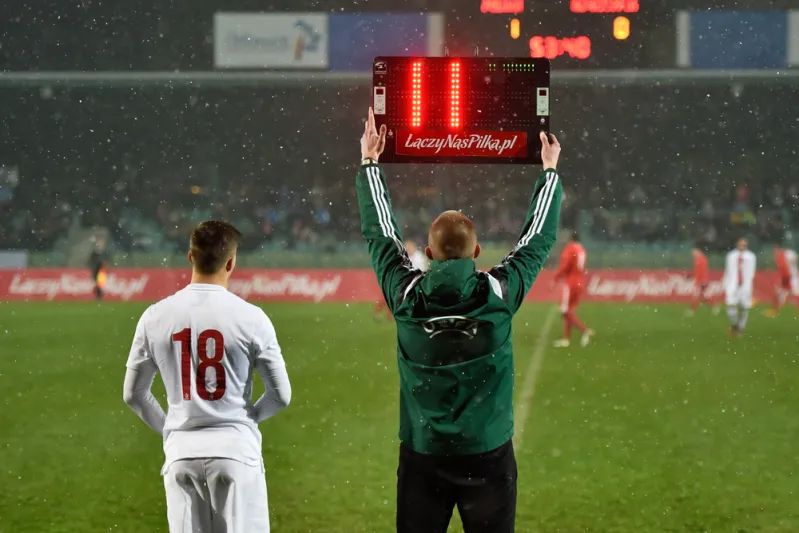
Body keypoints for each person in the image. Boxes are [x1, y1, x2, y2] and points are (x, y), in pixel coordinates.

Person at [356, 108, 562, 533]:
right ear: (477, 252)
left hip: (423, 454)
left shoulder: (405, 296)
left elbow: (381, 234)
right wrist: (549, 172)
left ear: (428, 255)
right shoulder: (497, 295)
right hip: (487, 454)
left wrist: (370, 164)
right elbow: (536, 240)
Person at [122, 220, 291, 533]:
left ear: (190, 257)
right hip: (236, 454)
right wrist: (247, 418)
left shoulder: (155, 316)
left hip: (181, 456)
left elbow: (134, 394)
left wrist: (171, 429)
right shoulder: (252, 318)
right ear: (231, 263)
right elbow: (281, 395)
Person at [552, 232, 593, 348]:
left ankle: (584, 330)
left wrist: (556, 277)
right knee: (569, 311)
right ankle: (566, 339)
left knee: (564, 311)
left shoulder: (570, 249)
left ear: (571, 239)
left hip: (571, 283)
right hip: (580, 282)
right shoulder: (582, 250)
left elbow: (565, 266)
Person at [373, 239, 428, 320]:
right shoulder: (404, 256)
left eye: (409, 247)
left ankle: (391, 315)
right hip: (402, 280)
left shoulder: (418, 257)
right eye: (407, 247)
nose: (408, 249)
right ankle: (382, 313)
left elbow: (421, 269)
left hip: (411, 281)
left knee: (395, 297)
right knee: (389, 296)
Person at [724, 238, 757, 336]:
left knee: (744, 307)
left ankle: (740, 328)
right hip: (732, 284)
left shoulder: (751, 257)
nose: (742, 246)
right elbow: (728, 270)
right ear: (737, 244)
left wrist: (748, 283)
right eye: (740, 244)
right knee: (730, 308)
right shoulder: (731, 256)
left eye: (744, 244)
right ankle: (735, 325)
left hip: (745, 285)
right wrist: (726, 283)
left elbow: (752, 272)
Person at [686, 244, 718, 316]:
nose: (692, 254)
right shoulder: (697, 259)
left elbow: (703, 271)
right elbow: (697, 271)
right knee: (702, 297)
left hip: (701, 281)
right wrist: (691, 275)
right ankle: (714, 306)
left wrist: (704, 280)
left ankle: (692, 310)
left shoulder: (702, 259)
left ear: (698, 251)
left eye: (693, 252)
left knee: (696, 296)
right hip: (699, 281)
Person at [765, 242, 794, 316]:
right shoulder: (781, 254)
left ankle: (775, 310)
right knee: (783, 292)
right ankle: (776, 309)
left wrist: (783, 278)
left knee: (779, 292)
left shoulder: (779, 255)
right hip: (787, 275)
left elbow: (782, 266)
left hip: (785, 276)